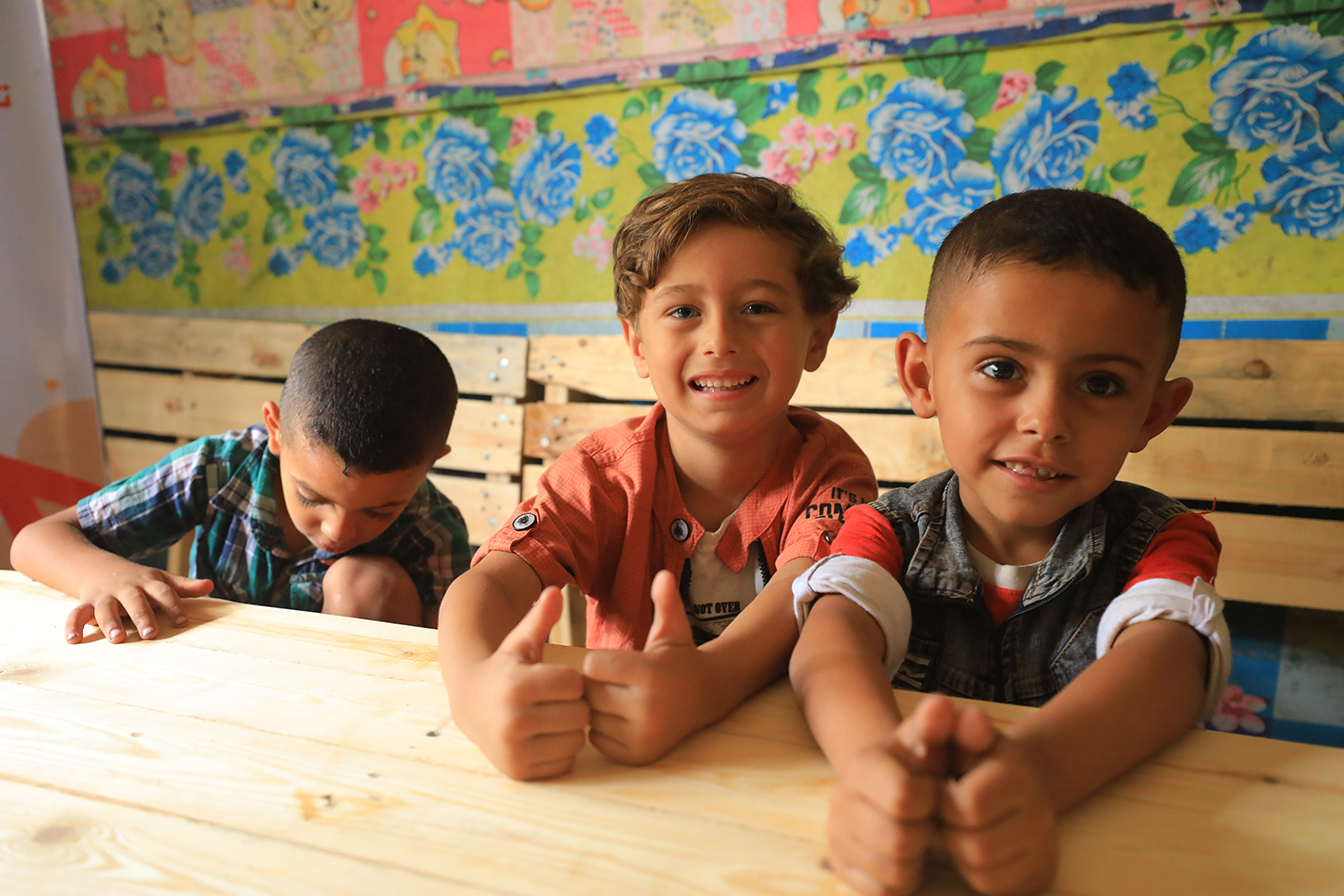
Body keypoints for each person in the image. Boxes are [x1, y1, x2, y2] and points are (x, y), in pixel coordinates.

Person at [788, 189, 1231, 896]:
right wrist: (877, 768)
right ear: (922, 378)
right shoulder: (886, 526)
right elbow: (830, 645)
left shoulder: (1166, 539)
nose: (1045, 420)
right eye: (1002, 369)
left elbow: (1171, 662)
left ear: (1153, 413)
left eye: (1099, 384)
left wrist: (1033, 775)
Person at [439, 173, 878, 780]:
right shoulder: (601, 475)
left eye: (757, 307)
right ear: (638, 343)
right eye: (683, 311)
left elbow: (803, 591)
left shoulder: (832, 470)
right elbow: (487, 584)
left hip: (781, 764)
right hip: (625, 773)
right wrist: (472, 694)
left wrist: (704, 685)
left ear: (818, 335)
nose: (719, 339)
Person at [12, 319, 471, 643]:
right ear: (275, 430)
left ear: (431, 463)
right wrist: (105, 575)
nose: (338, 531)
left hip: (347, 703)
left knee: (365, 583)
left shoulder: (433, 530)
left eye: (380, 511)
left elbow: (447, 661)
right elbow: (35, 540)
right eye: (312, 496)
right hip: (214, 680)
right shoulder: (218, 467)